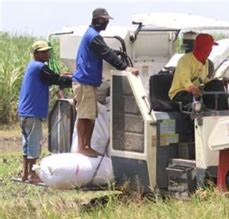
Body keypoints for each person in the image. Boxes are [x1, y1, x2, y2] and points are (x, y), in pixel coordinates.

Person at [73, 8, 138, 157]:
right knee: (85, 116)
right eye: (104, 20)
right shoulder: (94, 36)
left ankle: (85, 145)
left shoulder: (92, 36)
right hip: (85, 82)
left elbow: (106, 52)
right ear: (97, 20)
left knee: (90, 116)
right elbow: (106, 54)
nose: (106, 23)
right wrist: (126, 67)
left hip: (88, 82)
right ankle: (83, 147)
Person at [17, 40, 73, 183]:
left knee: (27, 144)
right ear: (36, 54)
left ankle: (25, 174)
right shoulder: (40, 67)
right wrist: (75, 79)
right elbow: (55, 79)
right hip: (32, 112)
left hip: (24, 112)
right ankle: (32, 175)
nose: (47, 54)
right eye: (43, 52)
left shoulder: (33, 67)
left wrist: (64, 77)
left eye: (47, 51)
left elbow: (51, 78)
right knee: (34, 144)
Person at [168, 33, 229, 111]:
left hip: (197, 93)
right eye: (209, 48)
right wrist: (191, 88)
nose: (210, 50)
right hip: (180, 93)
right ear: (202, 48)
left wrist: (219, 82)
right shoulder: (185, 60)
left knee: (216, 83)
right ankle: (195, 114)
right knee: (189, 98)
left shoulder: (206, 62)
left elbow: (204, 80)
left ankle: (222, 110)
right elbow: (184, 77)